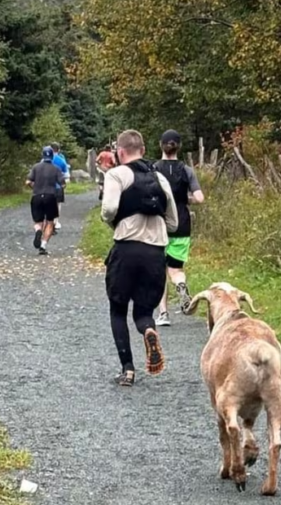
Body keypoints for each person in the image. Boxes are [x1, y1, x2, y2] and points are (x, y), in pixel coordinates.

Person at [101, 129, 178, 387]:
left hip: (126, 249)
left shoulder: (116, 174)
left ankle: (128, 370)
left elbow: (109, 209)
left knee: (118, 308)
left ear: (120, 152)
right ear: (143, 151)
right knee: (144, 311)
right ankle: (148, 330)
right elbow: (174, 223)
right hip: (155, 252)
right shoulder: (160, 178)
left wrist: (115, 220)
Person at [152, 129, 205, 327]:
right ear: (179, 147)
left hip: (159, 225)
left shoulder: (154, 169)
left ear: (161, 145)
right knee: (175, 269)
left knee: (158, 271)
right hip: (182, 224)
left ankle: (163, 314)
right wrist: (185, 199)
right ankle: (180, 285)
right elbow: (199, 198)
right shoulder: (187, 170)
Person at [26, 146, 65, 256]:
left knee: (38, 222)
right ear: (52, 156)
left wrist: (34, 187)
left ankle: (38, 230)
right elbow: (63, 184)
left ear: (42, 155)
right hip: (50, 196)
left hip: (36, 196)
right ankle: (43, 246)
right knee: (50, 222)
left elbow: (28, 181)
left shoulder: (36, 167)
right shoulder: (55, 168)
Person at [50, 142, 70, 232]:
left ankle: (47, 221)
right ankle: (56, 222)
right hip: (58, 186)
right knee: (57, 204)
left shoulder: (44, 160)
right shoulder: (61, 160)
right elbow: (66, 175)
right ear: (58, 150)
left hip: (46, 186)